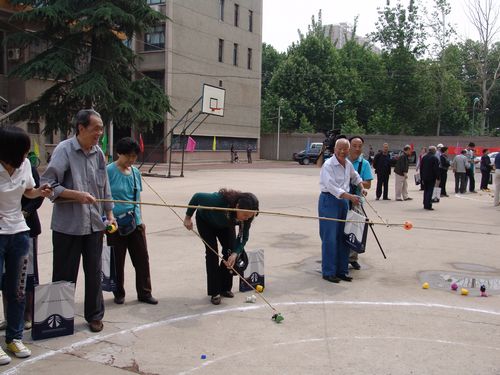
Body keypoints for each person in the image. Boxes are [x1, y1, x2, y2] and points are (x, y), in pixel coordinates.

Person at [41, 109, 116, 333]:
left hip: (94, 223)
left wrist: (110, 214)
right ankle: (60, 318)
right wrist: (77, 195)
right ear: (81, 128)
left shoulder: (98, 153)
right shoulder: (64, 150)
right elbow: (47, 185)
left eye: (101, 129)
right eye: (96, 129)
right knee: (64, 273)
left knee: (94, 272)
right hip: (68, 226)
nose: (99, 134)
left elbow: (105, 186)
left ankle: (94, 316)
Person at [0, 126, 52, 365]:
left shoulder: (25, 167)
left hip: (20, 233)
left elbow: (28, 191)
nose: (27, 155)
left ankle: (14, 337)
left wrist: (39, 192)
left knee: (18, 290)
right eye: (23, 150)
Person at [183, 189, 259, 305]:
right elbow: (197, 196)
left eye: (249, 216)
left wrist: (235, 253)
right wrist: (188, 217)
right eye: (244, 215)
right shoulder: (219, 200)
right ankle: (215, 292)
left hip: (226, 225)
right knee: (212, 254)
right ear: (237, 206)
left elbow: (243, 237)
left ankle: (225, 288)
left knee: (230, 253)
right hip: (206, 222)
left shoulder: (247, 217)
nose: (246, 218)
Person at [106, 137, 157, 305]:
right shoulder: (108, 171)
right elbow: (104, 198)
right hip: (114, 223)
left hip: (134, 223)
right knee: (117, 261)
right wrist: (108, 219)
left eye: (134, 156)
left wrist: (140, 219)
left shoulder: (135, 173)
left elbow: (137, 197)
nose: (131, 160)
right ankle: (118, 293)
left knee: (142, 259)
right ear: (119, 153)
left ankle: (145, 293)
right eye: (128, 156)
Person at [319, 138, 367, 283]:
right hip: (329, 201)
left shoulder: (348, 164)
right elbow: (332, 186)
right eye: (339, 148)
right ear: (334, 149)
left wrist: (361, 186)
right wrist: (350, 197)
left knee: (344, 237)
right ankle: (328, 272)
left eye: (345, 149)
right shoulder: (328, 165)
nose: (342, 151)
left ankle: (342, 270)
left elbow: (355, 177)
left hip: (344, 203)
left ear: (348, 150)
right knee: (330, 238)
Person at [346, 136, 373, 271]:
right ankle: (342, 256)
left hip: (357, 202)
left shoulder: (365, 164)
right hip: (343, 200)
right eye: (354, 145)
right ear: (349, 146)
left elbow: (368, 184)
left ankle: (353, 258)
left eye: (360, 146)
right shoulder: (341, 159)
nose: (357, 148)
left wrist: (358, 182)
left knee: (356, 231)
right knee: (341, 229)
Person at [420, 146, 440, 210]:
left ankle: (425, 203)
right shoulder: (434, 158)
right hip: (431, 177)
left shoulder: (424, 157)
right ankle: (428, 205)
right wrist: (438, 177)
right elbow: (436, 169)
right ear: (433, 150)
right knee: (430, 191)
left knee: (426, 190)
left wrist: (421, 177)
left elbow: (421, 168)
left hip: (424, 177)